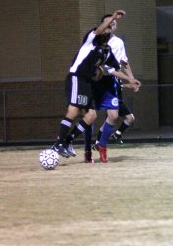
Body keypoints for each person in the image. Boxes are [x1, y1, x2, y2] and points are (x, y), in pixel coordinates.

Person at [52, 10, 139, 163]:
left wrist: (130, 80)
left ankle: (67, 141)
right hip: (76, 77)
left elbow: (114, 70)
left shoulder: (107, 51)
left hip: (87, 82)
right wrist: (112, 17)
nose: (107, 27)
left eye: (109, 26)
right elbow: (99, 29)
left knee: (91, 116)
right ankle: (59, 143)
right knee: (73, 110)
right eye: (105, 25)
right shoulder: (91, 39)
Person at [91, 14, 140, 162]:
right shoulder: (95, 40)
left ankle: (102, 146)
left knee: (113, 116)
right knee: (88, 116)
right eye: (108, 22)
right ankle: (66, 142)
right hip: (96, 81)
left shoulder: (118, 42)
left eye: (114, 22)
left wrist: (131, 78)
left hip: (111, 80)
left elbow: (124, 62)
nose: (112, 24)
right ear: (102, 25)